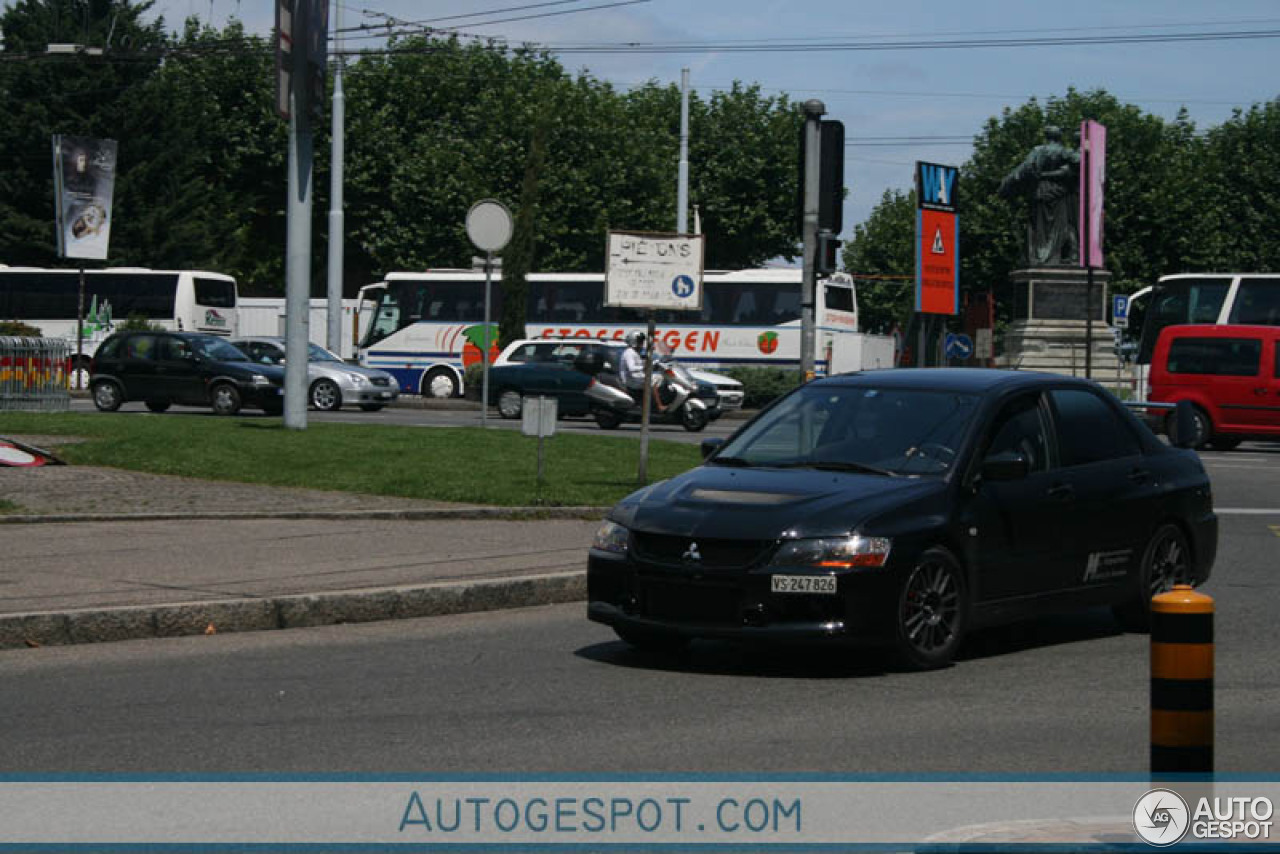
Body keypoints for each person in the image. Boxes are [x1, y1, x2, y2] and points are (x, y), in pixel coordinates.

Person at [997, 126, 1080, 266]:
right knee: (1061, 227)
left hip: (1040, 191)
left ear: (1046, 137)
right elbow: (1078, 161)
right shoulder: (1065, 151)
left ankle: (1040, 256)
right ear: (1060, 137)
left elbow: (1025, 168)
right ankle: (1055, 257)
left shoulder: (1038, 150)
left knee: (1038, 228)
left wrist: (1009, 183)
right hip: (1058, 193)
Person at [619, 331, 666, 412]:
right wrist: (644, 367)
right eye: (640, 341)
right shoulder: (630, 353)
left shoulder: (635, 352)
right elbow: (632, 368)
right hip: (631, 379)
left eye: (642, 341)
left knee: (660, 378)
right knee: (653, 382)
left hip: (636, 376)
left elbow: (641, 363)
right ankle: (659, 406)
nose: (641, 344)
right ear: (633, 341)